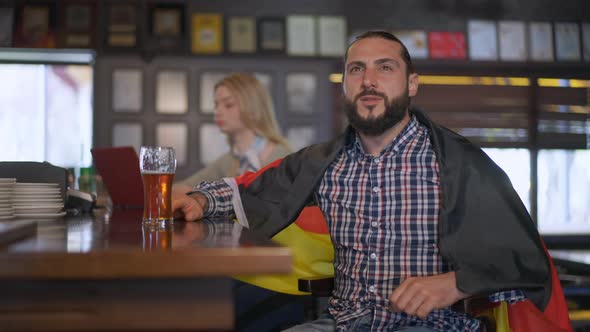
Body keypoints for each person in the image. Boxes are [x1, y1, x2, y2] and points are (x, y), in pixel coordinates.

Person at [172, 31, 571, 331]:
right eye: (356, 69)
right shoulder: (323, 162)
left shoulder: (462, 164)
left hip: (435, 326)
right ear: (345, 84)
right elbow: (255, 187)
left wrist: (457, 284)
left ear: (411, 83)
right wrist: (202, 201)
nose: (369, 79)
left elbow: (523, 261)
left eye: (386, 67)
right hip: (342, 323)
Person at [173, 72, 291, 194]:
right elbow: (185, 186)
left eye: (228, 105)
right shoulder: (230, 159)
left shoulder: (284, 158)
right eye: (216, 104)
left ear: (253, 109)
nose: (217, 111)